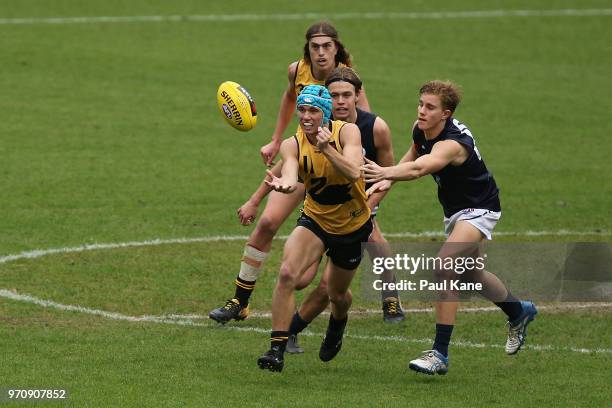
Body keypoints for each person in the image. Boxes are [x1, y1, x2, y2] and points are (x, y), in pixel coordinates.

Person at [208, 23, 404, 325]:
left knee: (370, 234)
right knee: (267, 223)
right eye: (316, 46)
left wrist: (370, 192)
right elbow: (290, 104)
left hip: (343, 171)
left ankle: (390, 296)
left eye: (327, 46)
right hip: (307, 162)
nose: (321, 52)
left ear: (337, 48)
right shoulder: (297, 71)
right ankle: (240, 301)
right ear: (307, 48)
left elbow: (362, 134)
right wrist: (275, 143)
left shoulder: (348, 82)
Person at [362, 80, 537, 375]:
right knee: (471, 272)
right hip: (456, 211)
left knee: (445, 266)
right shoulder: (422, 128)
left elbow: (420, 168)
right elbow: (414, 154)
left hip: (481, 208)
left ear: (446, 114)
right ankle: (519, 311)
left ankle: (440, 354)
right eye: (420, 104)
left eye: (430, 107)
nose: (421, 111)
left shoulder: (453, 144)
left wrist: (384, 170)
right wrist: (389, 179)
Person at [286, 66, 404, 355]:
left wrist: (371, 204)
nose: (339, 102)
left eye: (346, 95)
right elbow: (294, 162)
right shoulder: (317, 123)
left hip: (361, 207)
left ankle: (388, 297)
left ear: (357, 96)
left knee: (336, 279)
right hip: (322, 211)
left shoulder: (374, 128)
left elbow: (388, 173)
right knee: (299, 278)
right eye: (334, 95)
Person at [257, 84, 372, 372]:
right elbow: (292, 170)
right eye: (302, 110)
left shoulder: (348, 132)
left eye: (313, 111)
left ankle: (338, 322)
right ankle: (277, 349)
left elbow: (354, 171)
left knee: (336, 295)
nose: (306, 117)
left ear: (326, 113)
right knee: (286, 273)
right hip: (316, 219)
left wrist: (327, 149)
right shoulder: (291, 144)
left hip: (352, 226)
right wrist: (286, 183)